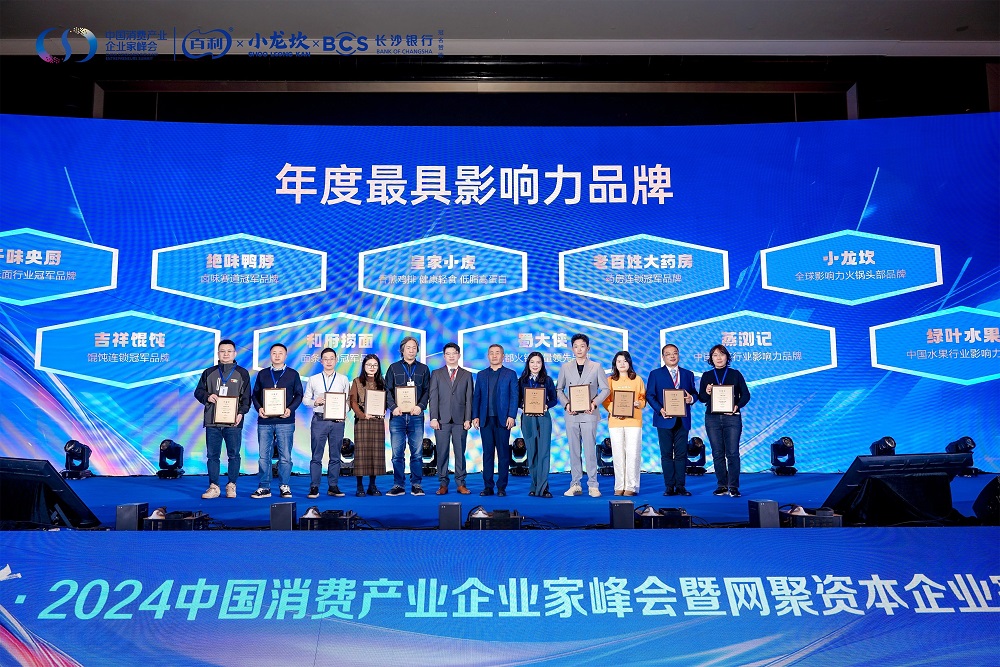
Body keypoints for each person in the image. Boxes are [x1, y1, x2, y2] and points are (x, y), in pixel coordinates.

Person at [194, 339, 252, 499]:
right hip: (212, 421)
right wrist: (207, 396)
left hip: (234, 421)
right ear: (218, 353)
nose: (226, 354)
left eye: (229, 351)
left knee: (234, 454)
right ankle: (214, 487)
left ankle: (231, 485)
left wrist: (241, 413)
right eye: (222, 351)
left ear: (235, 353)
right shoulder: (208, 372)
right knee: (212, 455)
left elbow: (246, 398)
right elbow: (198, 392)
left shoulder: (242, 373)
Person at [556, 333, 611, 497]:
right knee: (574, 451)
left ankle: (593, 485)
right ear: (572, 349)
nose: (579, 349)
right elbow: (559, 389)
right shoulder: (565, 367)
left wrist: (594, 403)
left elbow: (605, 389)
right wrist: (567, 404)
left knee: (589, 450)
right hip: (571, 414)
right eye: (575, 346)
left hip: (589, 413)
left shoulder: (596, 366)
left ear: (588, 348)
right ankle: (575, 484)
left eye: (582, 346)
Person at [250, 343, 303, 499]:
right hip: (265, 421)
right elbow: (255, 395)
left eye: (280, 353)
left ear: (285, 356)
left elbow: (299, 395)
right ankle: (264, 486)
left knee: (285, 456)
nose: (277, 355)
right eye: (274, 353)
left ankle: (284, 485)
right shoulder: (263, 374)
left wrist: (290, 409)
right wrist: (259, 408)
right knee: (263, 456)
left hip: (285, 421)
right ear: (270, 355)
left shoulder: (293, 374)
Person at [698, 344, 751, 497]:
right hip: (712, 418)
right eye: (715, 355)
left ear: (727, 357)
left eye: (721, 354)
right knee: (717, 453)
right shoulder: (707, 375)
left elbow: (746, 395)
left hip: (732, 418)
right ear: (711, 358)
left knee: (732, 453)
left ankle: (733, 486)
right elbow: (702, 398)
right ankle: (721, 485)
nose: (719, 358)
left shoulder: (735, 374)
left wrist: (737, 406)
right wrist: (707, 391)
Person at [646, 344, 699, 496]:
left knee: (681, 454)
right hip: (664, 419)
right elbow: (650, 395)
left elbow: (694, 393)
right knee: (666, 454)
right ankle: (669, 486)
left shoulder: (688, 374)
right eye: (668, 354)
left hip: (683, 420)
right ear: (663, 357)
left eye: (675, 353)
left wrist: (691, 399)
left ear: (678, 355)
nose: (672, 356)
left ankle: (681, 486)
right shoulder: (655, 374)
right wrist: (660, 410)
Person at [384, 336, 431, 497]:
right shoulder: (393, 368)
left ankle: (416, 484)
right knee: (397, 454)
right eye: (408, 347)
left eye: (414, 348)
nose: (411, 350)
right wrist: (393, 407)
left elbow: (427, 391)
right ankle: (398, 484)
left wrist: (420, 406)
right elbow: (387, 390)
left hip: (416, 416)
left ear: (417, 350)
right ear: (402, 350)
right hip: (397, 416)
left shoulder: (423, 369)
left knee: (417, 453)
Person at [471, 344, 519, 497]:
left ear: (503, 356)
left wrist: (512, 415)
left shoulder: (510, 374)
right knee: (487, 454)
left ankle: (501, 487)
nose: (494, 355)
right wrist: (475, 416)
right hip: (485, 419)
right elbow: (476, 397)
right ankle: (488, 487)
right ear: (488, 356)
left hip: (503, 420)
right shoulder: (481, 375)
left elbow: (514, 396)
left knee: (503, 454)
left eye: (497, 353)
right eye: (491, 353)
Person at [303, 347, 351, 499]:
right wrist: (315, 402)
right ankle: (314, 487)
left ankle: (333, 486)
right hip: (319, 419)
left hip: (337, 421)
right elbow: (305, 400)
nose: (329, 361)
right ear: (321, 361)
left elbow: (348, 401)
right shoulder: (313, 379)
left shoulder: (343, 379)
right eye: (326, 359)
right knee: (316, 455)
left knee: (335, 455)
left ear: (336, 360)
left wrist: (344, 412)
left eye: (332, 358)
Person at [428, 342, 474, 495]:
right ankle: (443, 483)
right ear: (444, 356)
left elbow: (469, 399)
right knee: (442, 453)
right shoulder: (436, 373)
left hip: (461, 420)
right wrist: (433, 417)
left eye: (454, 353)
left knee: (460, 453)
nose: (451, 356)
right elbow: (433, 397)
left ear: (459, 355)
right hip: (441, 420)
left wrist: (468, 419)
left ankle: (461, 483)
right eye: (448, 354)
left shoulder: (466, 374)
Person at [602, 350, 646, 496]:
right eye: (619, 361)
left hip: (634, 421)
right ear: (615, 364)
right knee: (618, 454)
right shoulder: (609, 380)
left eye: (625, 361)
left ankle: (631, 487)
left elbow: (643, 399)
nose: (622, 364)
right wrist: (614, 410)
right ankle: (619, 485)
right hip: (615, 421)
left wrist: (638, 403)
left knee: (633, 453)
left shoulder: (637, 379)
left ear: (629, 363)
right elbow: (605, 400)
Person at [518, 351, 558, 498]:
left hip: (543, 418)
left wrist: (547, 405)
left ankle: (544, 487)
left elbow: (554, 399)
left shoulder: (547, 380)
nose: (535, 365)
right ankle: (534, 486)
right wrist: (522, 405)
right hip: (528, 418)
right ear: (528, 364)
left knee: (544, 452)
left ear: (542, 364)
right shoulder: (522, 381)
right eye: (532, 362)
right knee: (532, 452)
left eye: (538, 362)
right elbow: (517, 399)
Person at [349, 354, 390, 496]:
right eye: (369, 365)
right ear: (364, 366)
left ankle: (372, 485)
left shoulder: (382, 382)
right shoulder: (357, 381)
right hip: (362, 421)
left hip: (377, 422)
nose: (372, 367)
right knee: (361, 454)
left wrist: (384, 409)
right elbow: (353, 401)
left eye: (375, 365)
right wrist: (362, 414)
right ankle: (359, 486)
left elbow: (386, 399)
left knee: (375, 454)